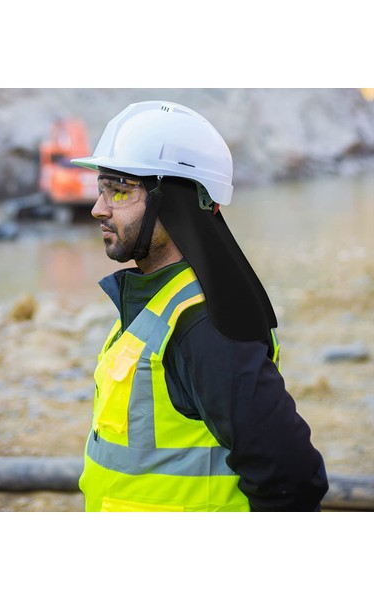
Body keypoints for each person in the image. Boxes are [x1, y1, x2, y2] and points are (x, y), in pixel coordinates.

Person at [72, 100, 329, 512]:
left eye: (119, 189)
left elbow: (290, 476)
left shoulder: (204, 324)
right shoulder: (157, 302)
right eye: (102, 189)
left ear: (175, 201)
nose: (98, 208)